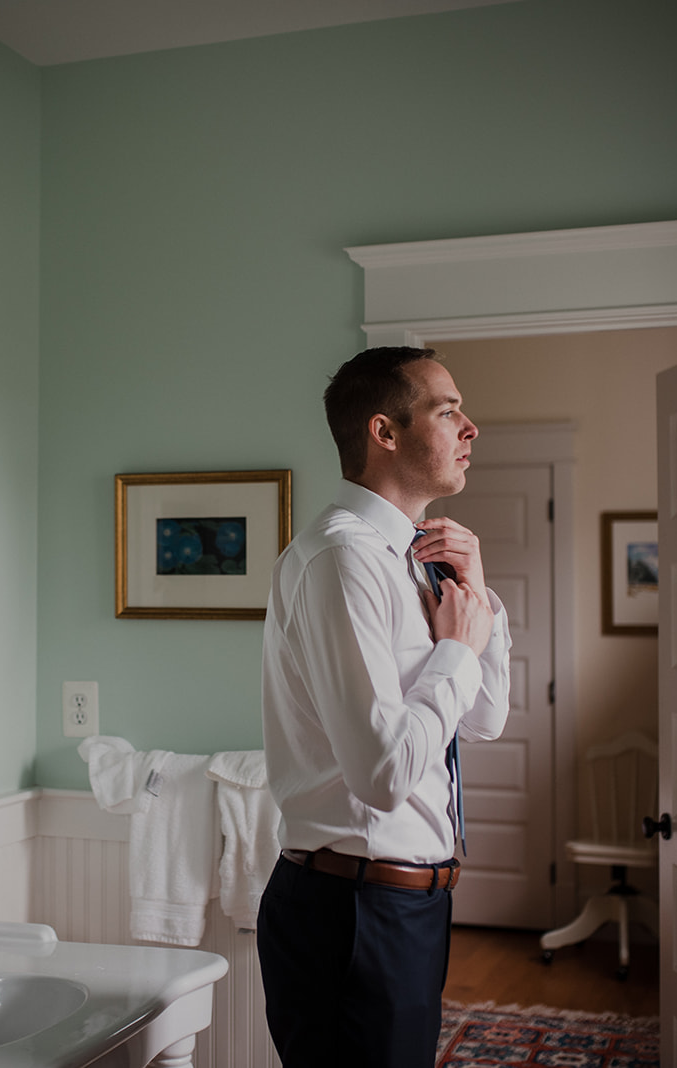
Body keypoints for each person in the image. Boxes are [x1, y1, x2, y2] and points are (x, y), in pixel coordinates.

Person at [257, 346, 512, 1067]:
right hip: (352, 913)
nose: (471, 428)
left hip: (410, 905)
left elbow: (485, 717)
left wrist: (479, 596)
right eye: (448, 409)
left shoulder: (418, 560)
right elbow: (381, 775)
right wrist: (457, 650)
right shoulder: (343, 560)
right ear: (385, 432)